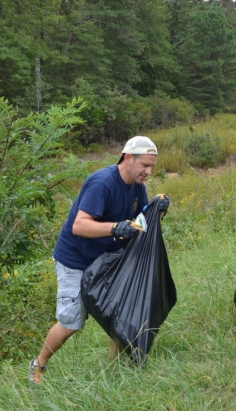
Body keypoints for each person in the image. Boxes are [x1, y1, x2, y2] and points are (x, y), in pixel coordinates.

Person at [29, 136, 170, 386]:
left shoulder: (137, 185)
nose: (148, 172)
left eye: (152, 167)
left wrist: (155, 208)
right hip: (76, 260)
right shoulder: (103, 182)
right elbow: (79, 225)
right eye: (145, 165)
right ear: (128, 158)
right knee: (72, 321)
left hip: (107, 259)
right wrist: (115, 227)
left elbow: (137, 220)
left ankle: (116, 368)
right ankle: (38, 365)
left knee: (119, 310)